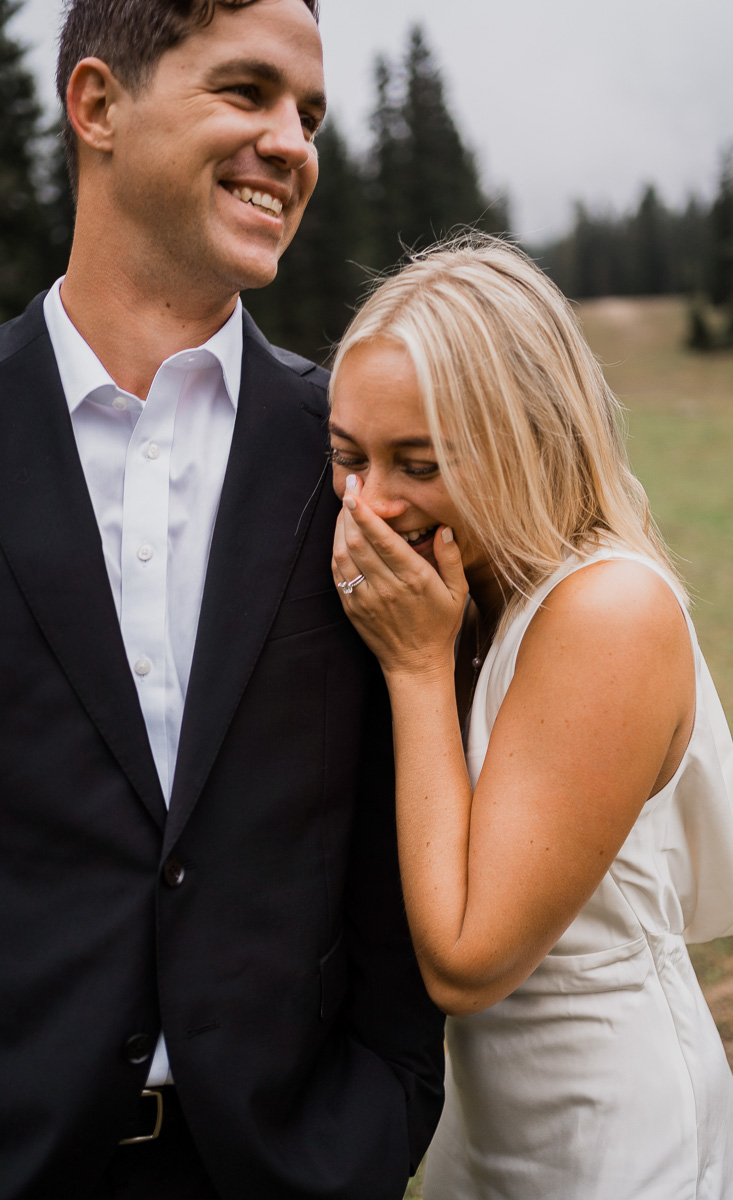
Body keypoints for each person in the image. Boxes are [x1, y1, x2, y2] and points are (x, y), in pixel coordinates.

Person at [0, 1, 444, 1196]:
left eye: (307, 114)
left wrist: (375, 1116)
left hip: (291, 1164)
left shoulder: (361, 463)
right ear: (96, 105)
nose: (292, 143)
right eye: (246, 93)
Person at [328, 235, 733, 1199]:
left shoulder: (607, 610)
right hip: (480, 1122)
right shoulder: (468, 586)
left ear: (525, 440)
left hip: (612, 1132)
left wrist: (412, 666)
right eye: (348, 456)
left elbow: (468, 960)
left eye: (419, 462)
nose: (370, 503)